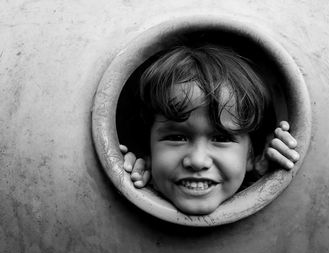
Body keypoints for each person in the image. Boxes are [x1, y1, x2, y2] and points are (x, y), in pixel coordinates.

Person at [119, 45, 299, 215]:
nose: (198, 161)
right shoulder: (139, 182)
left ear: (253, 156)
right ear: (148, 151)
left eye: (221, 138)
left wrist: (273, 176)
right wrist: (127, 175)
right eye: (177, 137)